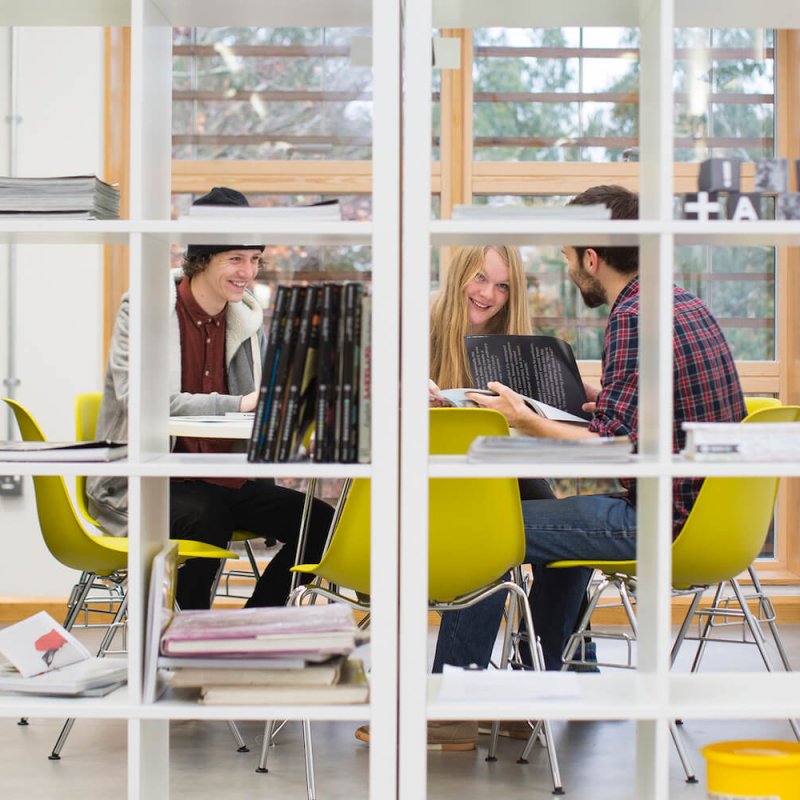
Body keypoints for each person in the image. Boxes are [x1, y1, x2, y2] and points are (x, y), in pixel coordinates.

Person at [429, 184, 747, 744]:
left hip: (658, 520)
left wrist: (531, 422)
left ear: (591, 259)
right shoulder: (678, 303)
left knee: (492, 531)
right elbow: (642, 422)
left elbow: (615, 446)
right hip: (713, 520)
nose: (568, 267)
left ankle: (451, 708)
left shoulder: (635, 317)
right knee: (554, 532)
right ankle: (547, 686)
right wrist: (611, 397)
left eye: (569, 256)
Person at [87, 186, 334, 610]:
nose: (248, 272)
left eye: (255, 259)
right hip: (150, 482)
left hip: (225, 478)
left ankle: (253, 625)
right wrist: (236, 404)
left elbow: (259, 407)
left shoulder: (246, 320)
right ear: (201, 258)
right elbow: (142, 403)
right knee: (209, 513)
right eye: (235, 259)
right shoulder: (144, 309)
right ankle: (187, 635)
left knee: (323, 523)